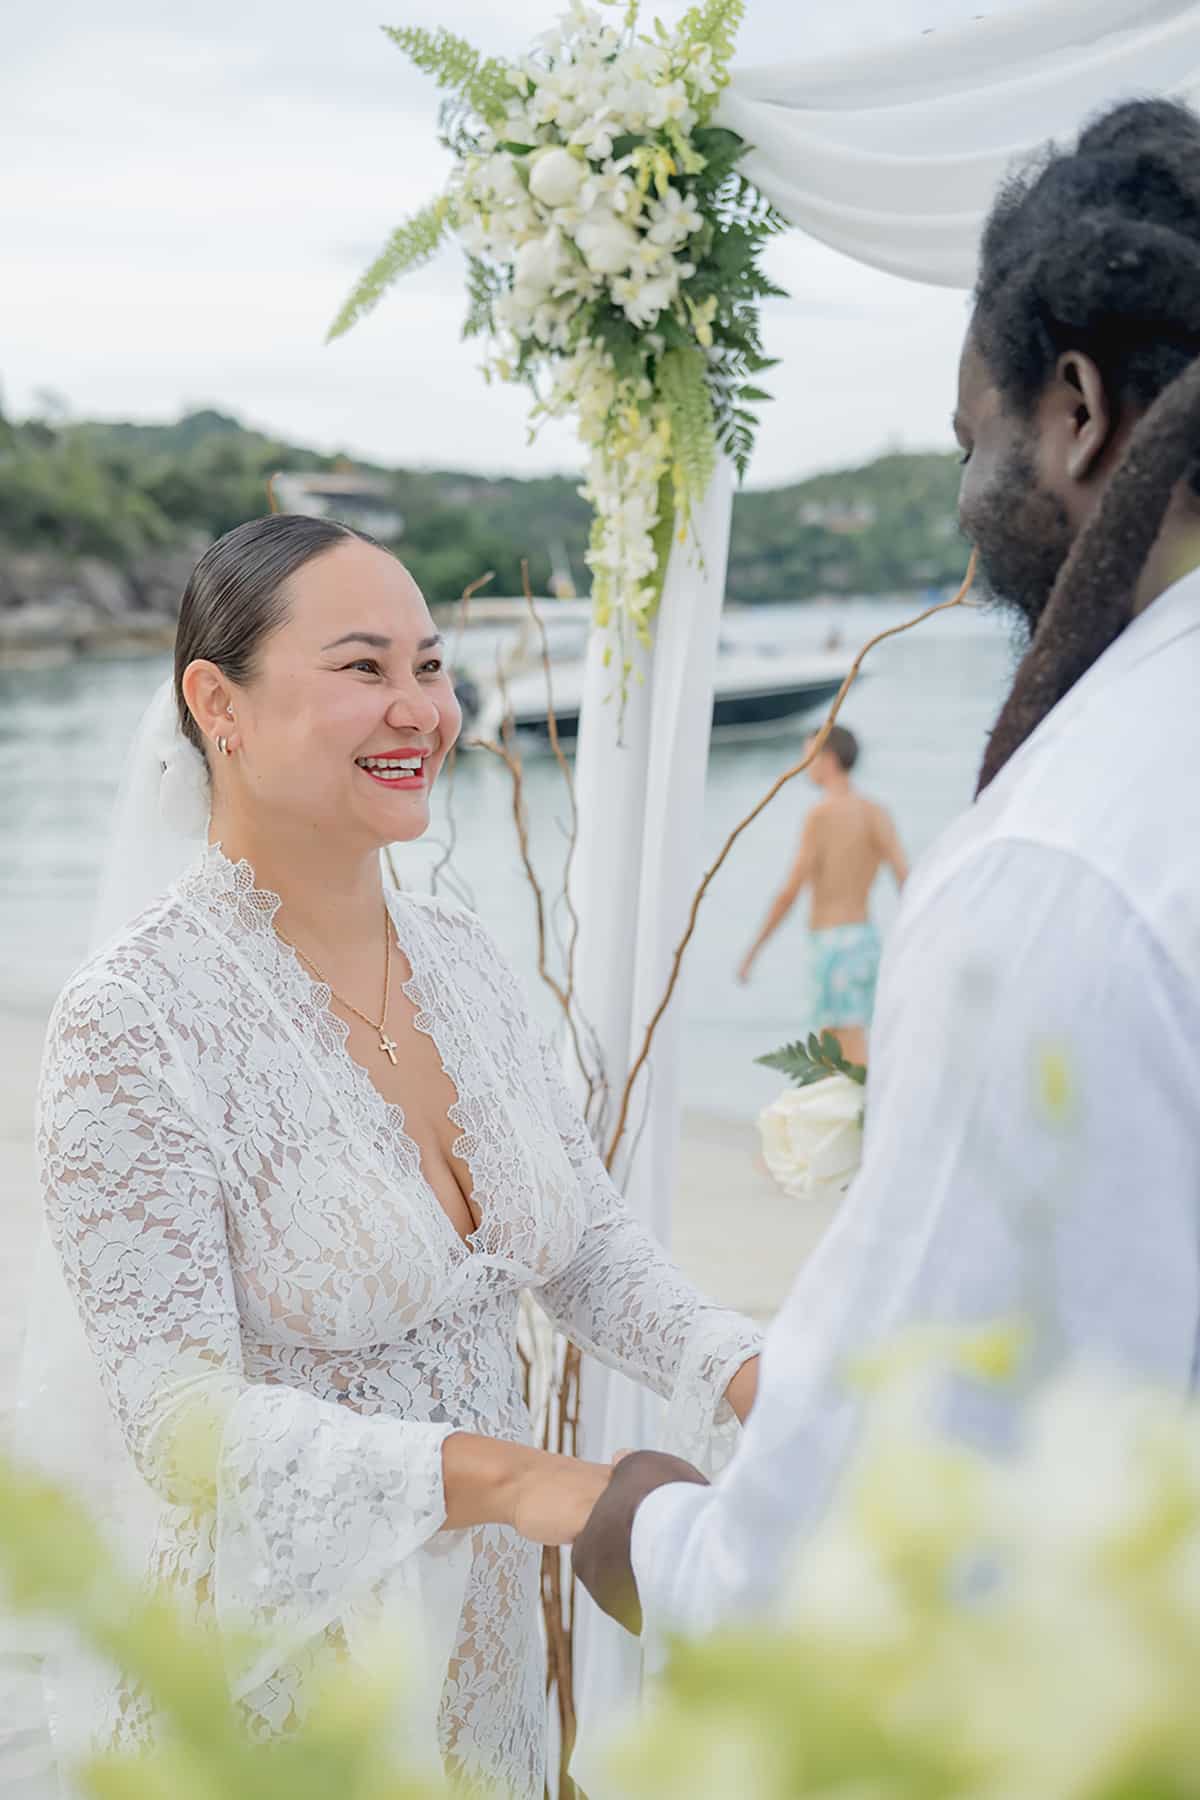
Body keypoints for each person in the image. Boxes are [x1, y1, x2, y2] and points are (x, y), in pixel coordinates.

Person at [573, 96, 1200, 1643]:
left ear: (1073, 410)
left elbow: (878, 1526)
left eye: (966, 440)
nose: (963, 498)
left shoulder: (1064, 860)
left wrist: (644, 1530)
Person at [27, 515, 760, 1795]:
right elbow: (181, 1427)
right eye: (364, 668)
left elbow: (578, 1243)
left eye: (430, 667)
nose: (421, 707)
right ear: (219, 705)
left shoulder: (466, 963)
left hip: (484, 1673)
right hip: (273, 1689)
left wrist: (748, 1369)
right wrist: (517, 1481)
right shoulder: (130, 1024)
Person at [736, 724, 908, 1064]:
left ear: (828, 759)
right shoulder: (875, 812)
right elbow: (906, 879)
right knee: (852, 1046)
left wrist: (754, 950)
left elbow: (790, 891)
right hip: (865, 941)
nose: (804, 764)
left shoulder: (820, 815)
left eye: (808, 756)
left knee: (839, 1058)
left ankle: (861, 1117)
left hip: (830, 945)